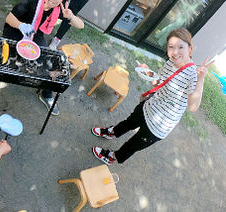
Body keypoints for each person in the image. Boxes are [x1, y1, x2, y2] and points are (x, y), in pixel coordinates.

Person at [91, 28, 213, 165]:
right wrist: (148, 72)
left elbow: (192, 106)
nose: (175, 52)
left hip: (159, 125)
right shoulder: (170, 63)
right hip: (149, 106)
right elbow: (159, 82)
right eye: (171, 47)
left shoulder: (193, 75)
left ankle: (112, 157)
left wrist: (201, 78)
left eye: (180, 47)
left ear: (190, 48)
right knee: (129, 122)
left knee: (133, 144)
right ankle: (112, 132)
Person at [3, 0, 84, 116]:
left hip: (36, 36)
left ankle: (46, 95)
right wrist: (22, 26)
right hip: (16, 31)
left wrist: (70, 16)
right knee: (13, 60)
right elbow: (9, 18)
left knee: (49, 64)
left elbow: (80, 25)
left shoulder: (59, 10)